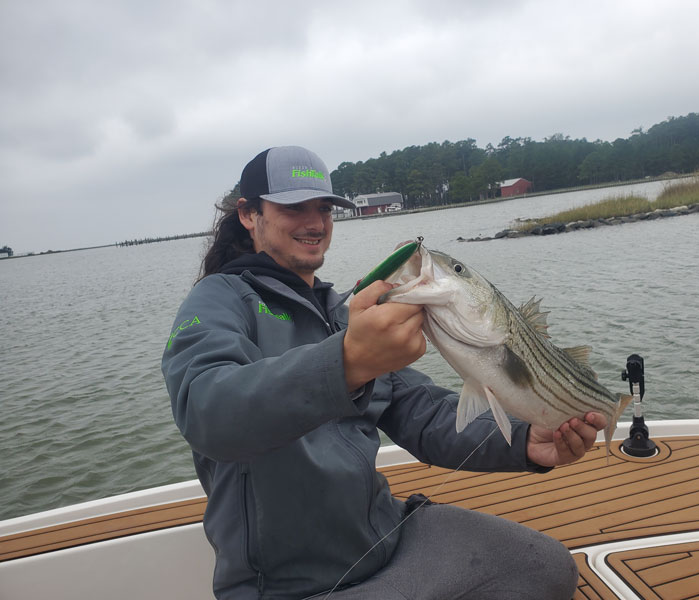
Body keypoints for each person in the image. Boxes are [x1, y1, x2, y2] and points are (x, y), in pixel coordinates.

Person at [162, 145, 607, 600]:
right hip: (292, 585)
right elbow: (206, 412)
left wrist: (522, 440)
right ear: (249, 214)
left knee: (546, 566)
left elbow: (420, 410)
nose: (315, 223)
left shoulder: (341, 310)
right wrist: (347, 363)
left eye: (324, 209)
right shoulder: (218, 300)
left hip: (386, 538)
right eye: (293, 208)